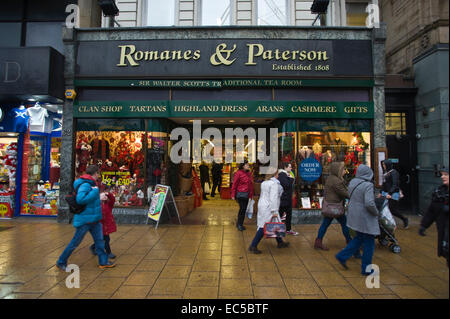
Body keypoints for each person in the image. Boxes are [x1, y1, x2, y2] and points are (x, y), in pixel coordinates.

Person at [56, 165, 115, 270]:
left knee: (100, 241)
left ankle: (103, 261)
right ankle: (61, 261)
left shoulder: (91, 184)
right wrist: (96, 193)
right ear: (95, 173)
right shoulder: (86, 184)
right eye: (98, 174)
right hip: (85, 219)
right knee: (75, 242)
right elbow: (80, 199)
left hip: (94, 218)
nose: (99, 176)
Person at [335, 164, 379, 276]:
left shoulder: (353, 182)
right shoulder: (367, 185)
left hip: (354, 213)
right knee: (369, 241)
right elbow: (369, 203)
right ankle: (367, 268)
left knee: (359, 238)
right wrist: (376, 212)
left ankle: (342, 255)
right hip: (365, 216)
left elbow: (349, 195)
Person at [314, 162, 354, 250]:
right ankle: (349, 241)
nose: (344, 171)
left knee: (325, 224)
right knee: (344, 223)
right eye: (343, 169)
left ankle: (318, 241)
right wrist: (353, 195)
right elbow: (344, 193)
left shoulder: (331, 178)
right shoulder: (337, 181)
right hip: (335, 206)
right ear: (338, 170)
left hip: (330, 205)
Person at [248, 170, 290, 253]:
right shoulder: (274, 184)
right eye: (277, 173)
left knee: (275, 224)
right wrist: (274, 211)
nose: (278, 175)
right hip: (269, 207)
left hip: (262, 205)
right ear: (274, 174)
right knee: (263, 226)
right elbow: (273, 198)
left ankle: (280, 242)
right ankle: (253, 245)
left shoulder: (264, 182)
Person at [419, 168, 449, 267]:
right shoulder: (440, 192)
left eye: (446, 174)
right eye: (442, 174)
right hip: (445, 232)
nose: (442, 176)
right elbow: (432, 210)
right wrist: (424, 225)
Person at [379, 159, 409, 229]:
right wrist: (381, 192)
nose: (383, 166)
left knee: (392, 209)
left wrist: (390, 193)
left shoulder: (394, 173)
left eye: (384, 164)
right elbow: (384, 184)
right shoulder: (386, 173)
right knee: (386, 209)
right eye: (383, 164)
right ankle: (389, 223)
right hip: (386, 193)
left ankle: (404, 219)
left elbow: (395, 184)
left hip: (393, 194)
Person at [89, 186, 117, 259]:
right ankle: (108, 252)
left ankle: (93, 247)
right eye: (103, 195)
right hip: (100, 225)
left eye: (105, 196)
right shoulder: (97, 204)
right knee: (106, 239)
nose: (105, 197)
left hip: (106, 225)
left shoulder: (108, 204)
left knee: (102, 239)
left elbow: (113, 200)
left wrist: (108, 194)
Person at [231, 160, 254, 231]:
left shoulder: (249, 173)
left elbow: (250, 184)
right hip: (241, 194)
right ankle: (239, 224)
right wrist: (233, 194)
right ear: (243, 166)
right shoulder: (238, 173)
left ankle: (239, 223)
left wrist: (251, 194)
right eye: (247, 165)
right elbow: (234, 184)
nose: (248, 166)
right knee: (242, 209)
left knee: (243, 210)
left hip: (247, 194)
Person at [278, 162, 298, 236]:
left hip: (287, 198)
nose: (291, 168)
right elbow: (286, 185)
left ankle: (288, 229)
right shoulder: (282, 175)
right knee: (281, 215)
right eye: (290, 167)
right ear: (285, 168)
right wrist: (291, 179)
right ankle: (279, 230)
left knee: (288, 215)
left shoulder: (285, 174)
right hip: (284, 199)